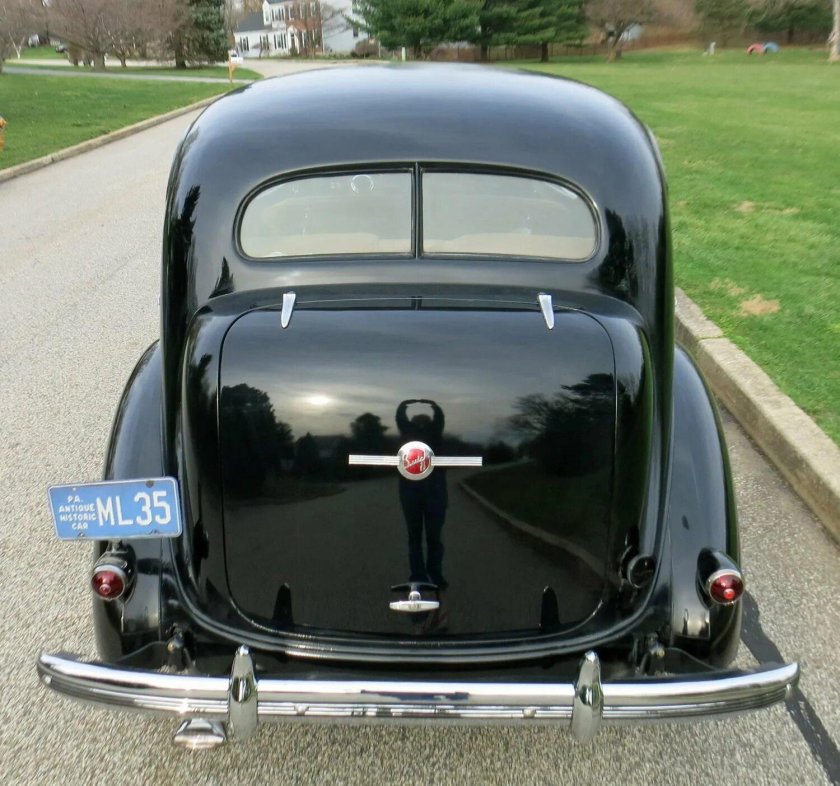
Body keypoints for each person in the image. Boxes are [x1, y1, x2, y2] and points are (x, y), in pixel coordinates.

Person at [395, 399, 448, 588]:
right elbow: (401, 419)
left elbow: (438, 419)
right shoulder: (411, 434)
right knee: (420, 537)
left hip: (427, 492)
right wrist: (429, 404)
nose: (420, 425)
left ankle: (428, 575)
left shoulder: (432, 433)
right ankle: (423, 575)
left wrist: (410, 404)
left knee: (425, 537)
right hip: (422, 492)